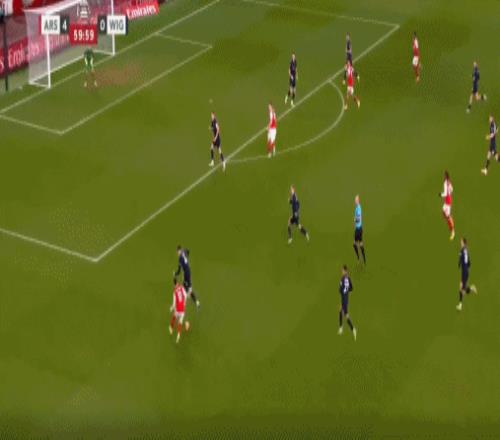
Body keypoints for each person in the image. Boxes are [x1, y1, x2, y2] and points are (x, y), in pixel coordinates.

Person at [456, 238, 477, 311]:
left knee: (462, 290)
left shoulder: (463, 250)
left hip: (464, 272)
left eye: (461, 242)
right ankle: (460, 305)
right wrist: (460, 264)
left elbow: (464, 260)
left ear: (464, 243)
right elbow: (469, 262)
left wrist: (460, 264)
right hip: (465, 272)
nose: (460, 243)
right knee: (462, 288)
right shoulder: (465, 250)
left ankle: (460, 305)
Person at [338, 265, 357, 341]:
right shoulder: (348, 278)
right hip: (346, 299)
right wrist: (346, 291)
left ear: (345, 271)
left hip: (343, 299)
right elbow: (352, 288)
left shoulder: (342, 279)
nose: (341, 271)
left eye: (342, 270)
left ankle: (352, 329)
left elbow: (340, 290)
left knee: (345, 314)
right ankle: (343, 328)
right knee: (342, 312)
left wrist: (342, 289)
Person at [439, 171, 455, 240]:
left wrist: (440, 195)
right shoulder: (449, 182)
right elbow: (452, 189)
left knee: (448, 217)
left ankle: (452, 231)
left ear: (445, 176)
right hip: (448, 200)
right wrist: (449, 193)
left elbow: (445, 193)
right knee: (443, 212)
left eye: (444, 175)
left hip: (448, 201)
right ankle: (449, 218)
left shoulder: (445, 183)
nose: (443, 176)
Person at [353, 195, 366, 264]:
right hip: (360, 228)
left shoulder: (358, 209)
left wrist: (355, 220)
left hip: (358, 229)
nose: (354, 201)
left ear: (358, 200)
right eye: (355, 200)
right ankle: (364, 259)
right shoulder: (359, 207)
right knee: (361, 244)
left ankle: (358, 258)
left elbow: (358, 219)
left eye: (355, 200)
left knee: (354, 244)